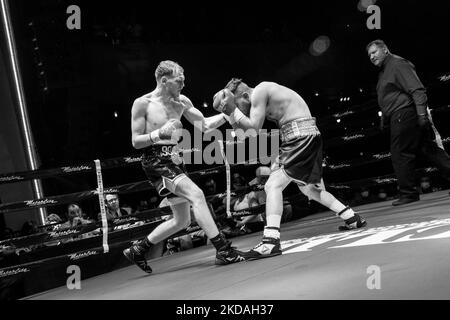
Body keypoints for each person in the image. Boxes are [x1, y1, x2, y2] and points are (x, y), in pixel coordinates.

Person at [213, 78, 367, 259]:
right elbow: (243, 136)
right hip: (302, 136)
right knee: (309, 189)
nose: (239, 109)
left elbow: (253, 129)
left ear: (245, 96)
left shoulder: (261, 90)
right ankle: (352, 218)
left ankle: (271, 242)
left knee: (272, 186)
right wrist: (231, 114)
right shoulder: (259, 99)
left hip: (299, 136)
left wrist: (232, 110)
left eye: (239, 104)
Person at [123, 60, 248, 273]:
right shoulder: (142, 103)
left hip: (175, 159)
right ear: (164, 81)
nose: (183, 83)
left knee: (182, 220)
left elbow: (206, 126)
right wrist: (159, 134)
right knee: (197, 195)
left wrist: (231, 113)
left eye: (184, 79)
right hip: (155, 161)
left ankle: (138, 249)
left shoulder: (182, 101)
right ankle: (223, 250)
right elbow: (135, 141)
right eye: (178, 80)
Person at [367, 39, 450, 206]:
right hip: (401, 115)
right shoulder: (384, 71)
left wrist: (421, 115)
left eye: (374, 52)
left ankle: (408, 192)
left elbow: (417, 89)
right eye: (369, 55)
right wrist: (384, 118)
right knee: (428, 149)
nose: (371, 57)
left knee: (400, 153)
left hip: (405, 114)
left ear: (385, 50)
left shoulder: (397, 64)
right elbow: (389, 97)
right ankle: (409, 191)